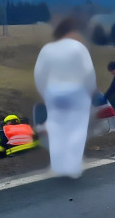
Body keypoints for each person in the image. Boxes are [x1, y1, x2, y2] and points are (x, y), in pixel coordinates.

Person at [34, 16, 97, 178]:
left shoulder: (47, 49)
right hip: (76, 91)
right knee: (77, 128)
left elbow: (39, 75)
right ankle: (73, 166)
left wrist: (45, 94)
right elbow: (89, 73)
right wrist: (89, 92)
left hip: (54, 92)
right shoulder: (78, 48)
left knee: (56, 128)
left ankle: (58, 166)